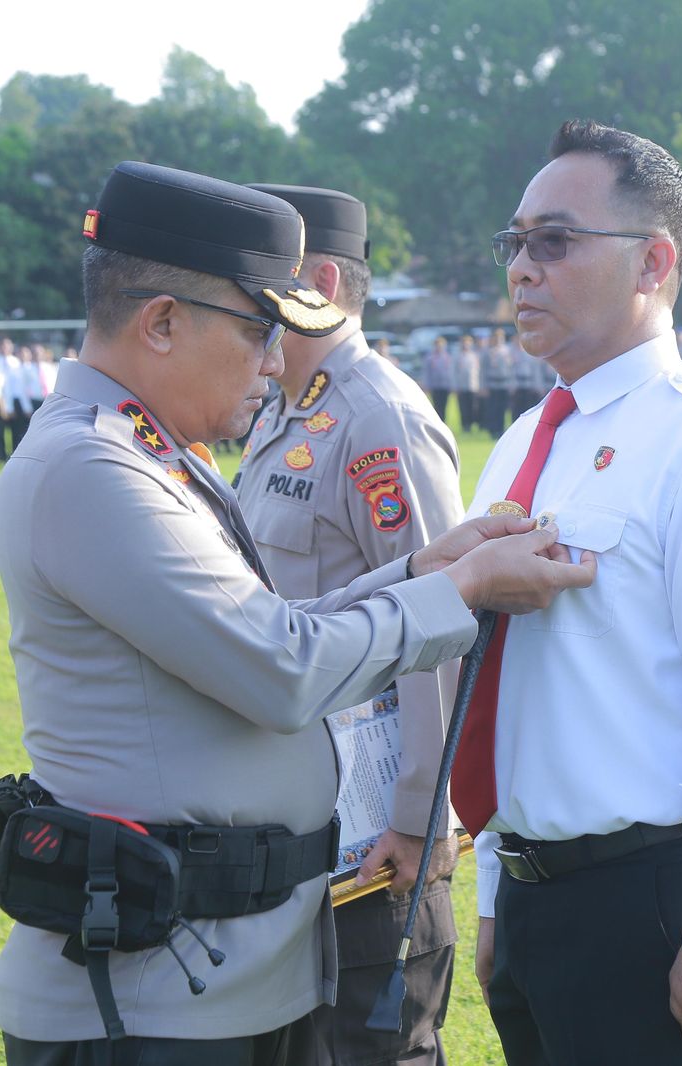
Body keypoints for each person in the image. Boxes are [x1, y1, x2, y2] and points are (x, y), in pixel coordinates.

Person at [0, 160, 596, 1066]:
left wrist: (422, 568)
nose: (275, 363)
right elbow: (281, 668)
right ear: (162, 322)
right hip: (154, 1005)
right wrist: (459, 590)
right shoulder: (93, 469)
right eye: (259, 329)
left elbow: (268, 625)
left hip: (212, 976)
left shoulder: (146, 449)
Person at [469, 119, 682, 1066]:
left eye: (556, 241)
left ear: (654, 261)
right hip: (537, 899)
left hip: (646, 904)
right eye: (516, 242)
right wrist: (498, 896)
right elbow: (509, 687)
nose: (523, 268)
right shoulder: (526, 438)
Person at [234, 182, 466, 1066]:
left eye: (259, 282)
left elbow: (443, 624)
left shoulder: (380, 417)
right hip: (296, 817)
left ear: (320, 280)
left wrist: (419, 815)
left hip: (374, 843)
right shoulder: (284, 408)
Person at [422, 336, 453, 421]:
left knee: (444, 406)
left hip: (445, 386)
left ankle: (444, 422)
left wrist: (452, 385)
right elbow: (427, 373)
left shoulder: (448, 357)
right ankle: (437, 421)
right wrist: (427, 385)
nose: (439, 347)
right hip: (435, 386)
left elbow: (451, 373)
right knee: (436, 406)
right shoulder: (430, 358)